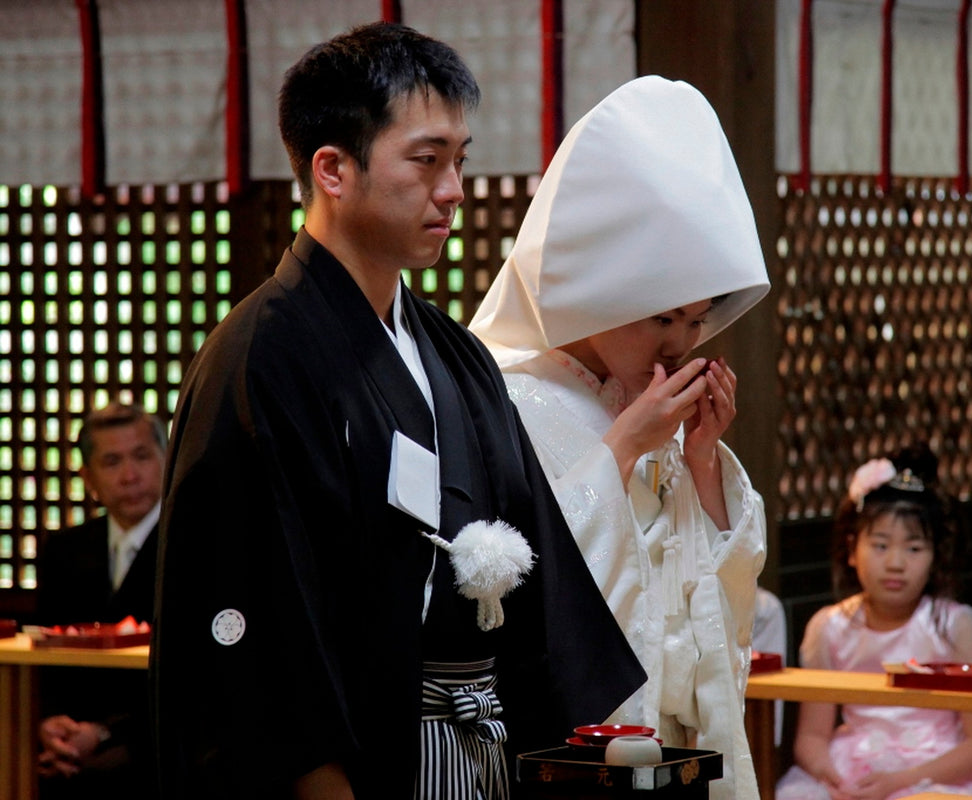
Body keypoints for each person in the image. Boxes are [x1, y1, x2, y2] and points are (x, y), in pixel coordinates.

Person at [150, 22, 645, 800]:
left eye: (459, 160)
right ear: (333, 169)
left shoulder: (455, 355)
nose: (452, 189)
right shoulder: (260, 359)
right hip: (354, 764)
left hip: (479, 750)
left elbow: (535, 576)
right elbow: (260, 615)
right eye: (426, 160)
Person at [469, 75, 770, 800]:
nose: (680, 344)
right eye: (661, 318)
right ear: (594, 291)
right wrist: (621, 450)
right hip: (574, 740)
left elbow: (717, 595)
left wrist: (701, 465)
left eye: (696, 320)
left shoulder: (655, 406)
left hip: (676, 739)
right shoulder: (506, 397)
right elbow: (509, 594)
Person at [775, 445, 972, 800]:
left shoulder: (955, 625)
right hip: (853, 765)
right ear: (851, 549)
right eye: (880, 545)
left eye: (914, 548)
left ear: (935, 555)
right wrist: (832, 777)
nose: (895, 563)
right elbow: (813, 736)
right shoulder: (829, 627)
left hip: (938, 769)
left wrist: (902, 781)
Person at [35, 402, 166, 800]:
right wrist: (51, 724)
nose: (129, 476)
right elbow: (48, 659)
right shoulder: (64, 551)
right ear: (88, 477)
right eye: (111, 462)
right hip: (71, 741)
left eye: (142, 456)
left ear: (168, 459)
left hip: (160, 741)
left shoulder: (196, 547)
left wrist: (106, 731)